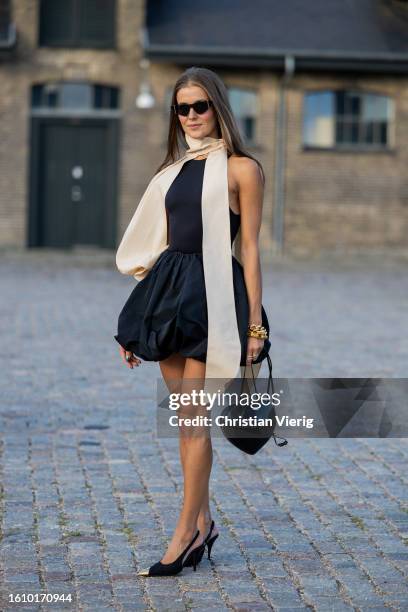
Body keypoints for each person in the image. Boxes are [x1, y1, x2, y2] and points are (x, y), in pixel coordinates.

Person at [114, 66, 271, 576]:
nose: (191, 116)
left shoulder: (242, 169)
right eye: (182, 108)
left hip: (214, 299)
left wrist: (255, 326)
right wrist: (139, 321)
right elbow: (158, 245)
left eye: (199, 106)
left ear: (218, 107)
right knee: (184, 424)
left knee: (195, 423)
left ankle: (183, 535)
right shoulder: (173, 169)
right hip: (170, 292)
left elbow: (248, 247)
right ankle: (203, 523)